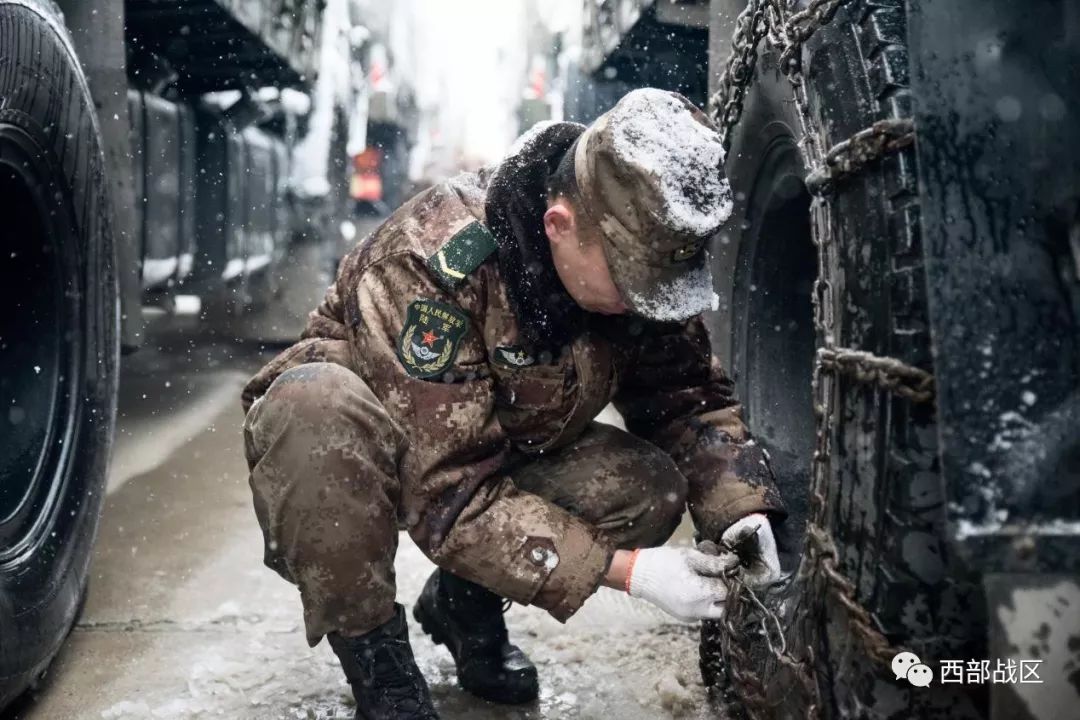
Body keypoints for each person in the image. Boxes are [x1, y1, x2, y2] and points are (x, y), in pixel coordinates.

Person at [240, 88, 786, 720]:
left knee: (646, 487)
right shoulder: (431, 263)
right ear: (559, 226)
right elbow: (445, 496)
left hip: (499, 443)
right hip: (373, 447)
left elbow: (687, 399)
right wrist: (631, 572)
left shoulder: (633, 243)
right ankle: (379, 668)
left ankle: (463, 605)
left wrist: (740, 510)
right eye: (635, 285)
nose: (647, 304)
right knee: (314, 413)